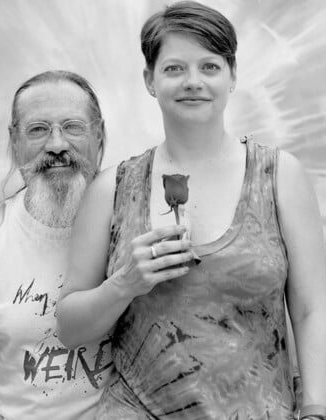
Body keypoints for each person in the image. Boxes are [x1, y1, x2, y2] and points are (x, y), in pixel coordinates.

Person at [56, 2, 326, 418]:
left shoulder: (279, 176)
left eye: (210, 67)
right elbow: (69, 328)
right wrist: (125, 283)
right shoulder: (111, 189)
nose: (193, 82)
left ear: (232, 75)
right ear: (150, 80)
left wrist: (314, 408)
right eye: (175, 68)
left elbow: (311, 309)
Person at [0, 70, 114, 420]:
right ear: (15, 143)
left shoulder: (133, 220)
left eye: (73, 127)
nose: (57, 144)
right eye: (38, 129)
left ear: (99, 136)